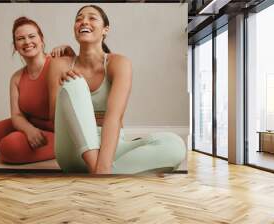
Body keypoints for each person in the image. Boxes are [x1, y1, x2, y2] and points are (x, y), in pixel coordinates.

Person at [47, 5, 186, 174]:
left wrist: (104, 165)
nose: (84, 21)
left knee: (174, 145)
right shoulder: (59, 63)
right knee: (74, 82)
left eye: (92, 18)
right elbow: (54, 115)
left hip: (111, 147)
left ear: (105, 29)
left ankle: (103, 171)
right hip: (73, 149)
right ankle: (98, 172)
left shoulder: (119, 63)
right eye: (78, 19)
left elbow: (114, 117)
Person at [0, 17, 74, 164]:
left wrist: (70, 54)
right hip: (29, 124)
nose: (27, 42)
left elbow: (81, 72)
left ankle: (2, 146)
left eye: (32, 36)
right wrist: (29, 130)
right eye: (20, 39)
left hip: (59, 134)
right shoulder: (16, 77)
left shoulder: (57, 63)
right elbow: (17, 115)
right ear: (15, 46)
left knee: (10, 146)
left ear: (41, 39)